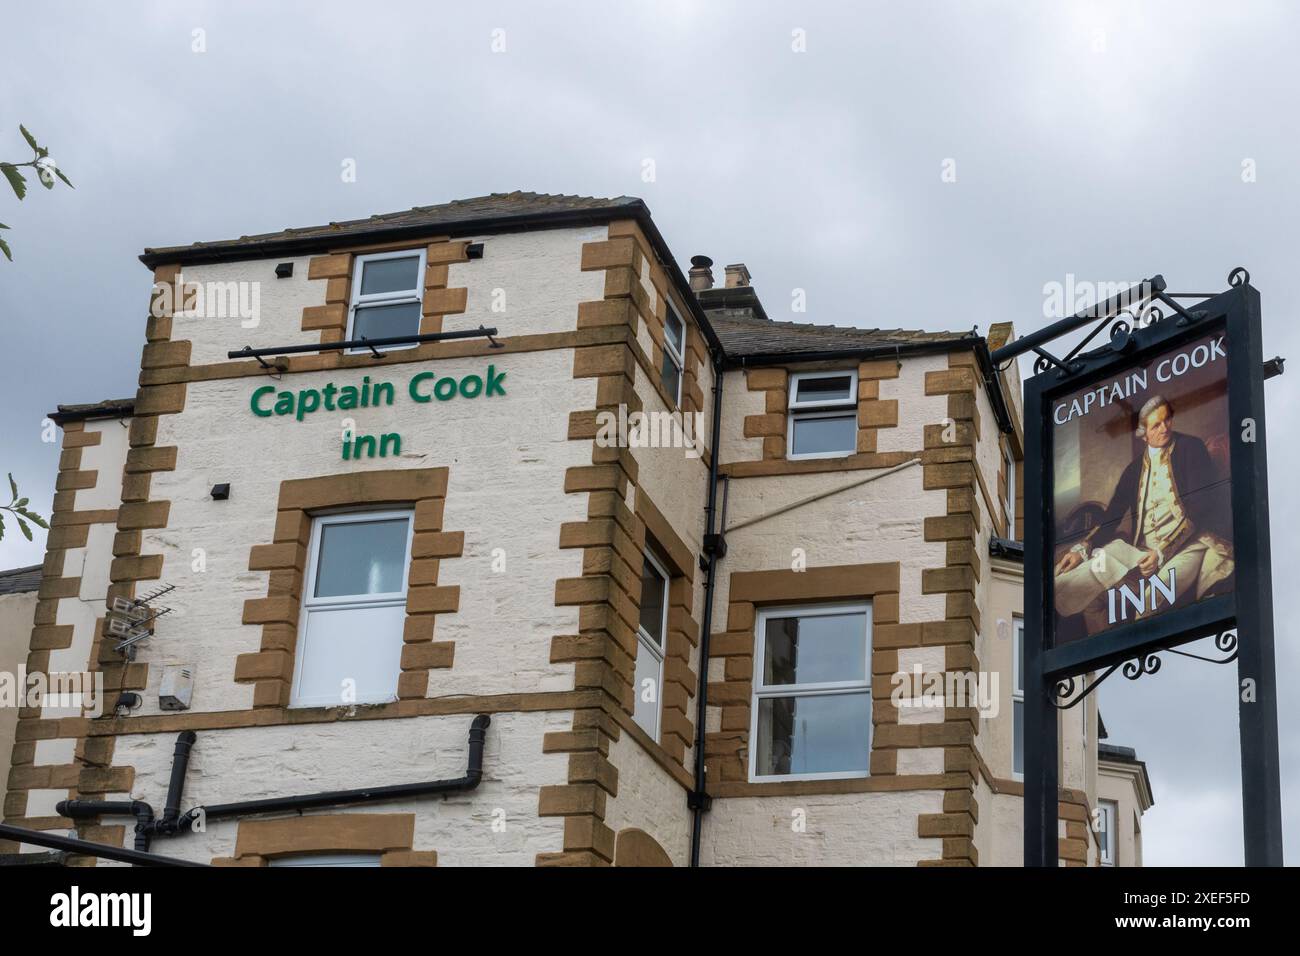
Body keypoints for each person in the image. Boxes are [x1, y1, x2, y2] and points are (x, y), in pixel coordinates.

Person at [1054, 394, 1233, 621]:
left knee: (1147, 603)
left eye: (1167, 420)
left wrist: (1160, 553)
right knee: (1088, 584)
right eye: (1156, 425)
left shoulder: (1191, 447)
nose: (1164, 428)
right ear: (1144, 434)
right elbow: (1112, 516)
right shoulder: (1133, 470)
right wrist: (1082, 549)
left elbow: (1200, 507)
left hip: (1190, 545)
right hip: (1140, 553)